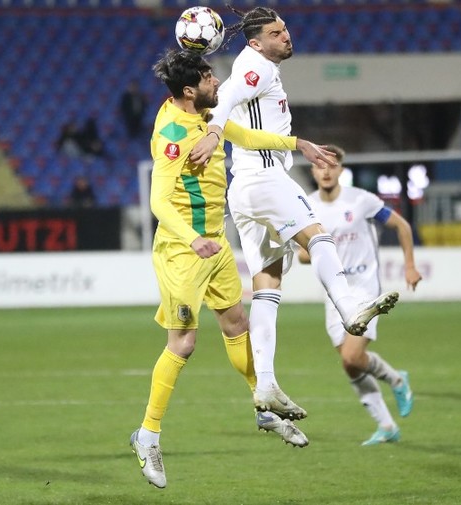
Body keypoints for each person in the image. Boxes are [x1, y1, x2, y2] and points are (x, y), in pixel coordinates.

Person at [129, 49, 339, 489]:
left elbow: (243, 135)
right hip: (183, 251)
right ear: (190, 91)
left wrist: (297, 144)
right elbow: (158, 202)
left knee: (236, 322)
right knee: (183, 344)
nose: (217, 84)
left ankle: (263, 408)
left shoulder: (205, 119)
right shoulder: (173, 133)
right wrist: (192, 239)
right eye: (209, 78)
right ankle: (147, 435)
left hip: (215, 243)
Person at [189, 6, 401, 419]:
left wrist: (297, 143)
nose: (285, 36)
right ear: (256, 41)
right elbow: (228, 96)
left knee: (267, 289)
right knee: (319, 236)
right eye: (275, 32)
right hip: (268, 180)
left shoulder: (258, 64)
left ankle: (265, 382)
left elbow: (230, 102)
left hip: (245, 191)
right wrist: (215, 133)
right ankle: (349, 307)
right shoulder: (258, 68)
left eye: (285, 29)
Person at [298, 144, 419, 446]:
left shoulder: (361, 201)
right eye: (320, 165)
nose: (325, 170)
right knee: (351, 363)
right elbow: (302, 252)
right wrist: (306, 253)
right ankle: (387, 422)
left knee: (353, 355)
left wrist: (410, 265)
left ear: (340, 170)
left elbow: (401, 225)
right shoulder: (305, 206)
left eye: (332, 165)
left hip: (364, 288)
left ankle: (397, 381)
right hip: (334, 294)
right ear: (313, 170)